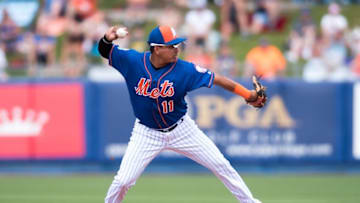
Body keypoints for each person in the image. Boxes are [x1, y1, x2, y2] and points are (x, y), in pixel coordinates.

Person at [98, 25, 266, 203]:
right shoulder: (133, 61)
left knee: (221, 165)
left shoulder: (185, 70)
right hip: (146, 133)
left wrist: (247, 95)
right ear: (157, 48)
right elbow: (105, 51)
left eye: (177, 44)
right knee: (123, 181)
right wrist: (108, 38)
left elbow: (217, 79)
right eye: (171, 46)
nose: (176, 49)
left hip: (182, 130)